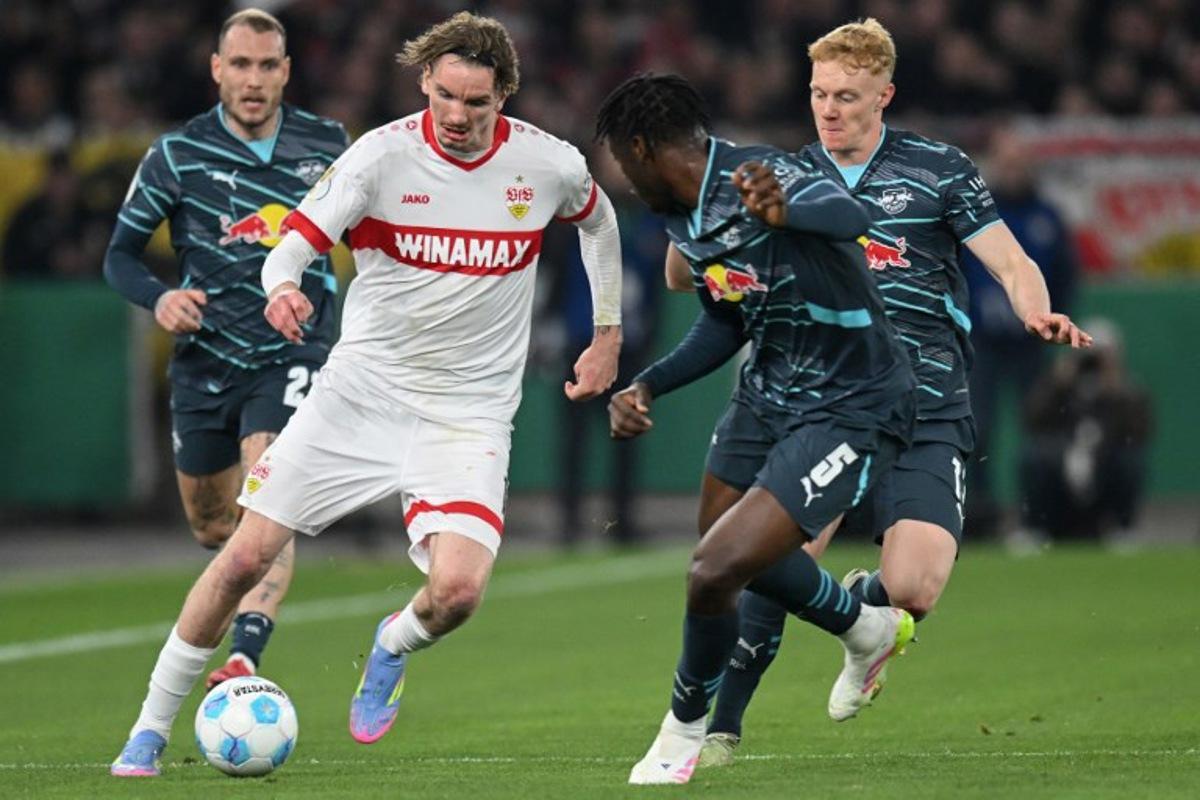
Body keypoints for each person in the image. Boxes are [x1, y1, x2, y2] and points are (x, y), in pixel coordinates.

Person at [110, 11, 623, 777]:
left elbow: (600, 223)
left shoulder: (547, 165)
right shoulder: (378, 158)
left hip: (468, 414)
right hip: (359, 396)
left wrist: (607, 332)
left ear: (504, 97)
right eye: (444, 96)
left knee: (457, 593)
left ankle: (392, 643)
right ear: (424, 83)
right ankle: (148, 731)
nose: (456, 116)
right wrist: (282, 287)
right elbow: (290, 245)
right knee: (242, 555)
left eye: (476, 103)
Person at [619, 19, 1090, 768]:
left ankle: (866, 616)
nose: (829, 109)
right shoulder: (782, 172)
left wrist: (1035, 309)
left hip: (927, 397)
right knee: (760, 557)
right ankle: (720, 729)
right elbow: (692, 272)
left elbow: (1009, 260)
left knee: (915, 590)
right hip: (818, 397)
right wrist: (701, 240)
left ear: (884, 96)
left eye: (846, 95)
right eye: (818, 94)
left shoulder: (937, 169)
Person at [596, 73, 919, 786]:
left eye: (619, 160)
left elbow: (849, 213)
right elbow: (726, 316)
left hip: (850, 401)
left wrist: (785, 210)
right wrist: (649, 383)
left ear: (642, 148)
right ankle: (865, 628)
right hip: (767, 394)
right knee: (723, 559)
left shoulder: (763, 174)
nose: (621, 178)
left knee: (712, 569)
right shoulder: (683, 217)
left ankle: (681, 732)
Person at [102, 8, 349, 700]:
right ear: (217, 69)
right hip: (206, 360)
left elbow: (375, 230)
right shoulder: (177, 154)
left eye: (267, 65)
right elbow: (119, 256)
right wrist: (159, 299)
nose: (254, 80)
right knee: (215, 524)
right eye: (240, 64)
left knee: (267, 492)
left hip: (293, 352)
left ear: (286, 72)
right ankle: (242, 587)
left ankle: (244, 655)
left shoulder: (328, 145)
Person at [963, 126, 1079, 537]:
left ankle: (1037, 518)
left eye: (1019, 162)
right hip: (981, 343)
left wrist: (1058, 327)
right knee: (976, 430)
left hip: (1032, 343)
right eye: (1006, 162)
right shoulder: (973, 214)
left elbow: (1065, 278)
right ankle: (978, 520)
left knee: (1040, 431)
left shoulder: (1047, 217)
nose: (1013, 170)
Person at [1017, 318, 1153, 547]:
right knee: (1033, 457)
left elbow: (1139, 431)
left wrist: (1115, 388)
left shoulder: (1128, 390)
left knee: (1130, 461)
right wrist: (1059, 381)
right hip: (1061, 463)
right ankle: (1034, 528)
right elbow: (1032, 419)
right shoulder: (1060, 386)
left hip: (1105, 464)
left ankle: (1123, 528)